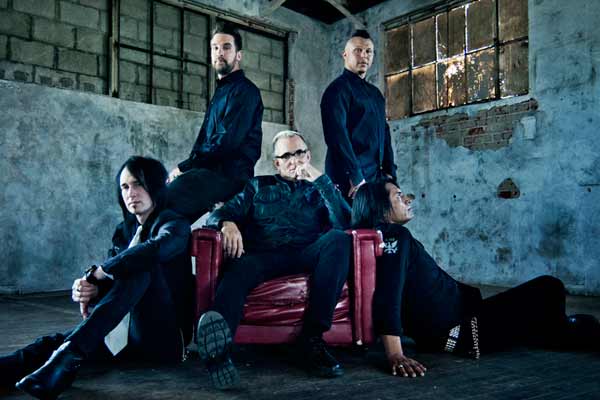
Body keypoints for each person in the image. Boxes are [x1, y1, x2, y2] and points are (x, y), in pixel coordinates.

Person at [351, 179, 600, 378]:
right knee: (549, 288)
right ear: (381, 208)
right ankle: (564, 332)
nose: (407, 199)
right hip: (463, 330)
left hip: (464, 318)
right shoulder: (394, 235)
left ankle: (562, 331)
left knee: (557, 319)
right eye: (398, 196)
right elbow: (388, 294)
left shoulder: (381, 238)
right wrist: (395, 354)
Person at [1, 156, 193, 399]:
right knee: (49, 344)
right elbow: (117, 288)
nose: (131, 193)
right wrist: (93, 289)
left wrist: (102, 271)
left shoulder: (175, 223)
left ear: (155, 185)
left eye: (138, 184)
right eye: (125, 187)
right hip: (120, 336)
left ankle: (68, 357)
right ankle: (58, 360)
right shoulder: (124, 231)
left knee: (141, 265)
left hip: (163, 340)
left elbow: (155, 250)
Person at [196, 130, 352, 389]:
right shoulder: (257, 186)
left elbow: (346, 222)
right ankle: (219, 354)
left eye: (300, 153)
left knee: (338, 239)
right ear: (277, 163)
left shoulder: (321, 188)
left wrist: (320, 180)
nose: (295, 160)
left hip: (307, 252)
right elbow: (220, 213)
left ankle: (312, 339)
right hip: (265, 256)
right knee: (239, 268)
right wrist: (227, 223)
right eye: (287, 156)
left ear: (308, 155)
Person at [167, 23, 264, 222]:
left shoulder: (245, 91)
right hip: (211, 173)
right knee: (170, 217)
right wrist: (188, 167)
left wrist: (185, 167)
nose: (220, 52)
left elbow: (226, 142)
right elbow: (204, 140)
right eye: (215, 48)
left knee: (168, 198)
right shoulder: (221, 92)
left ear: (238, 55)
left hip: (230, 177)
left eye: (226, 47)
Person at [321, 29, 397, 200]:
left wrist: (390, 172)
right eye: (358, 50)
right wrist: (355, 176)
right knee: (351, 218)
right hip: (349, 178)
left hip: (375, 176)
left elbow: (384, 133)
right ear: (345, 55)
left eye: (368, 51)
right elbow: (337, 137)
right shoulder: (336, 90)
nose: (364, 56)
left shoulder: (375, 94)